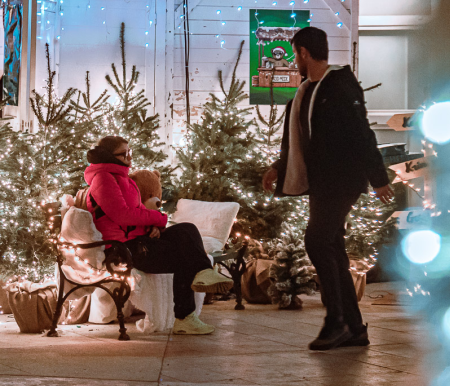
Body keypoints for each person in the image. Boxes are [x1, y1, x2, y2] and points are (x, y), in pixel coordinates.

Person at [263, 26, 393, 351]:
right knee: (332, 246)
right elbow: (300, 139)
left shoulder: (340, 85)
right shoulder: (307, 91)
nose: (294, 62)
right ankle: (354, 327)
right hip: (321, 183)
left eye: (295, 55)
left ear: (304, 53)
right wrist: (278, 167)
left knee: (317, 241)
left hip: (342, 181)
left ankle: (337, 322)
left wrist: (378, 178)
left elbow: (362, 133)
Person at [84, 135, 231, 335]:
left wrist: (152, 227)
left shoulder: (124, 179)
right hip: (123, 248)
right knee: (184, 256)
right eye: (124, 153)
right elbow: (122, 215)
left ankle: (204, 273)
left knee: (186, 230)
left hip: (138, 239)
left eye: (130, 151)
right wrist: (158, 219)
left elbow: (135, 214)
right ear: (109, 156)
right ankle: (185, 317)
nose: (129, 156)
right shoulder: (104, 178)